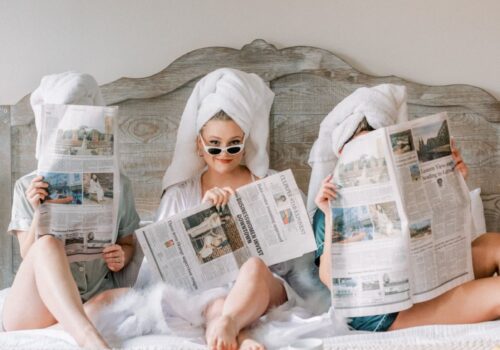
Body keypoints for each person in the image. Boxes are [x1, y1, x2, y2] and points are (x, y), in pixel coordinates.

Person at [147, 68, 324, 350]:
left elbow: (300, 263)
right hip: (207, 295)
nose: (224, 155)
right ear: (199, 145)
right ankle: (238, 334)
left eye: (234, 145)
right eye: (214, 146)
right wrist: (202, 217)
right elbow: (162, 272)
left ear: (246, 144)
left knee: (252, 269)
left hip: (265, 287)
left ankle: (229, 323)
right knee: (214, 301)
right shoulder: (180, 195)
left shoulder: (270, 185)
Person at [309, 84, 500, 332]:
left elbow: (450, 239)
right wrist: (331, 215)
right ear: (343, 155)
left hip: (426, 280)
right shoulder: (328, 203)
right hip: (384, 311)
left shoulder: (407, 190)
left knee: (493, 243)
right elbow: (331, 281)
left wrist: (455, 183)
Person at [1, 72, 141, 349]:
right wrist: (39, 213)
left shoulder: (118, 184)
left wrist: (121, 255)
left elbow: (128, 244)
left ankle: (69, 323)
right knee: (47, 244)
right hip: (35, 306)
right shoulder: (27, 186)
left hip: (94, 296)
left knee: (143, 297)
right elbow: (29, 255)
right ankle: (89, 338)